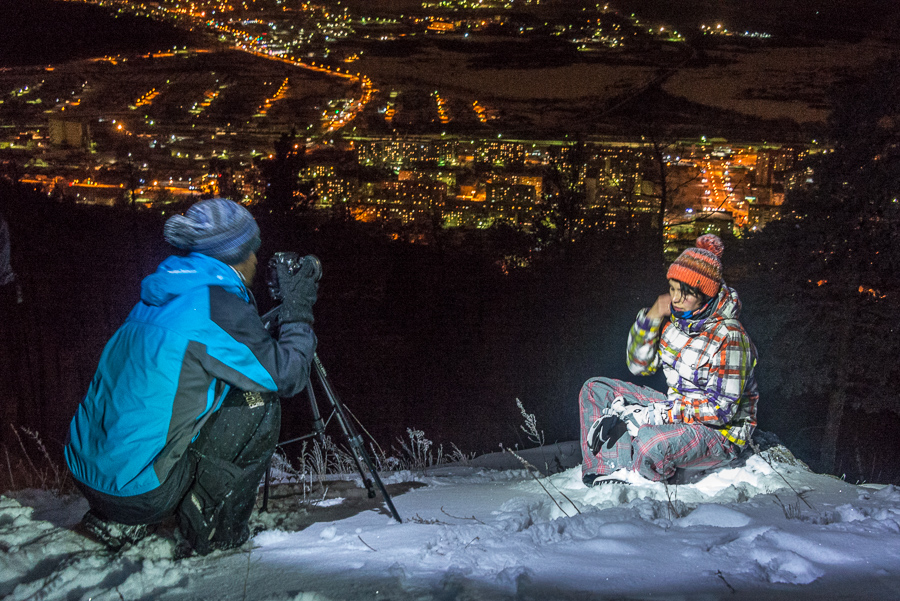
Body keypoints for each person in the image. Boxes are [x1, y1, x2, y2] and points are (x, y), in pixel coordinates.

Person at [65, 198, 319, 556]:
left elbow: (212, 344)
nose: (258, 261)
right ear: (233, 255)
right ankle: (214, 529)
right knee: (259, 400)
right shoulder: (216, 306)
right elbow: (289, 376)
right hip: (139, 493)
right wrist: (298, 312)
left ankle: (120, 516)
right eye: (253, 251)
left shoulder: (165, 291)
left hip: (89, 475)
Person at [579, 234, 759, 486]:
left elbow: (721, 410)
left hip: (720, 434)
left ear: (705, 293)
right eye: (672, 288)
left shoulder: (730, 336)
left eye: (684, 293)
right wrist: (652, 316)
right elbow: (639, 366)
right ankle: (608, 470)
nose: (675, 299)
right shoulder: (678, 322)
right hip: (679, 410)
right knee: (596, 390)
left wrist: (653, 415)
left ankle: (645, 476)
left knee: (649, 442)